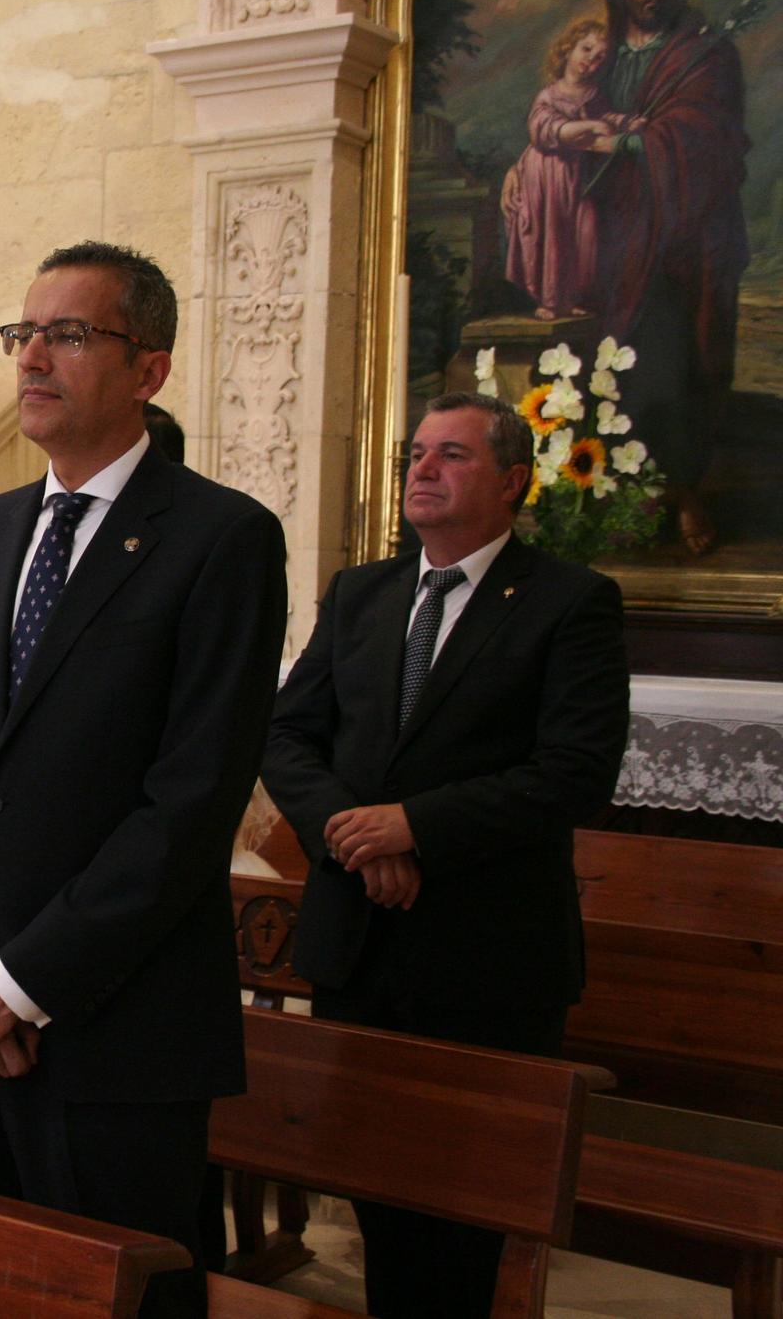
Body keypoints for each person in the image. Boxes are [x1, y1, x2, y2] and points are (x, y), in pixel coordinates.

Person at [0, 241, 288, 1319]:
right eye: (23, 335)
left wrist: (13, 988)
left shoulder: (220, 540)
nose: (31, 359)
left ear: (147, 370)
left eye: (68, 334)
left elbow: (189, 806)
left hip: (114, 1038)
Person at [263, 391, 630, 1319]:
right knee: (380, 1202)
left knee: (471, 1221)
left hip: (488, 960)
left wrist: (414, 825)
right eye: (415, 454)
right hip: (363, 946)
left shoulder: (569, 601)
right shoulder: (363, 593)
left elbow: (574, 773)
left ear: (513, 481)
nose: (421, 469)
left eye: (451, 455)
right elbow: (287, 736)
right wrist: (356, 833)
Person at [588, 0, 749, 552]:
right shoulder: (598, 52)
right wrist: (529, 166)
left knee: (672, 358)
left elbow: (717, 138)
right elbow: (561, 110)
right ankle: (626, 490)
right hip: (609, 231)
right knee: (609, 362)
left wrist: (640, 145)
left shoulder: (705, 55)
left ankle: (682, 489)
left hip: (681, 234)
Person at [505, 19, 617, 320]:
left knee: (582, 235)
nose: (590, 60)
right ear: (568, 49)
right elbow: (545, 129)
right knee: (551, 234)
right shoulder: (549, 95)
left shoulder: (594, 96)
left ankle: (571, 296)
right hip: (546, 175)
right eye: (586, 49)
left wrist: (627, 123)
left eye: (598, 58)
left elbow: (608, 118)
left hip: (577, 176)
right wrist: (589, 125)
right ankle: (550, 301)